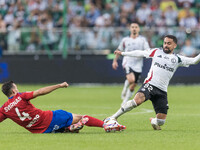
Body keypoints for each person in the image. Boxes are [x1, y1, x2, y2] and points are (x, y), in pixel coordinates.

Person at [106, 35, 200, 130]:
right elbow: (140, 53)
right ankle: (113, 117)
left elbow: (194, 61)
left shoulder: (178, 59)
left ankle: (153, 121)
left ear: (175, 45)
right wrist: (123, 53)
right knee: (137, 101)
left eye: (169, 43)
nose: (166, 45)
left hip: (162, 91)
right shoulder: (156, 51)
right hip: (150, 84)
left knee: (161, 122)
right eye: (165, 43)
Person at [0, 81, 126, 133]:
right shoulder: (21, 96)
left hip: (39, 130)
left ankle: (68, 128)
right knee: (81, 117)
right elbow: (40, 92)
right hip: (48, 118)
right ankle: (106, 125)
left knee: (69, 124)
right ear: (14, 91)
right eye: (16, 88)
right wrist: (59, 85)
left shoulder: (4, 109)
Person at [112, 23, 150, 106]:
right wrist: (115, 61)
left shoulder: (142, 40)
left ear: (139, 29)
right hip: (127, 62)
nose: (134, 29)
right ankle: (124, 96)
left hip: (138, 65)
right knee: (131, 80)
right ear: (130, 29)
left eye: (136, 27)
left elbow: (148, 50)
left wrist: (147, 54)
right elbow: (119, 50)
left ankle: (125, 99)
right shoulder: (125, 40)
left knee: (133, 85)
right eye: (132, 27)